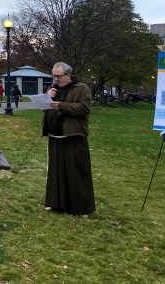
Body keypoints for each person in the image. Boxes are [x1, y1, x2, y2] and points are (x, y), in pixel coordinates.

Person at [42, 61, 95, 216]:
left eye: (58, 76)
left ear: (68, 75)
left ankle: (80, 207)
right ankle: (56, 203)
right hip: (55, 137)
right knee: (56, 172)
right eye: (54, 76)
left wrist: (62, 106)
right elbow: (45, 108)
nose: (56, 79)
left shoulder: (82, 88)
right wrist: (46, 98)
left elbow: (84, 108)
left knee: (76, 172)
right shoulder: (52, 89)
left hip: (73, 137)